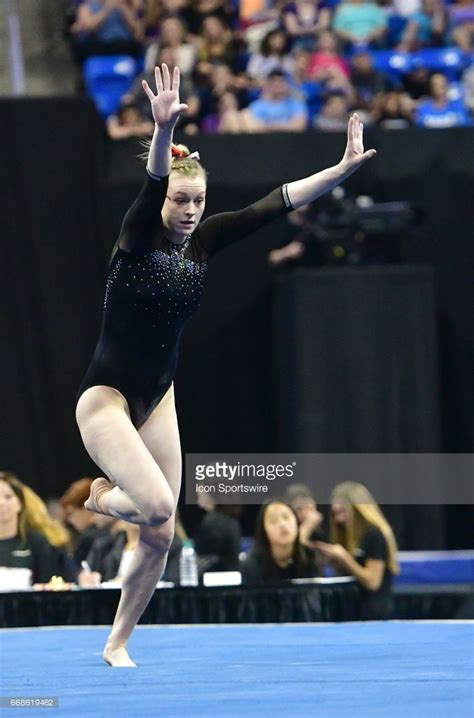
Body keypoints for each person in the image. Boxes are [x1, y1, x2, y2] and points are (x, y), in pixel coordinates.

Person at [75, 62, 376, 666]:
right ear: (163, 199)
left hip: (159, 396)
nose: (190, 210)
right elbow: (153, 178)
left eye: (199, 200)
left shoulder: (206, 241)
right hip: (106, 396)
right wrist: (162, 130)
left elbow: (276, 203)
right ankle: (101, 499)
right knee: (155, 506)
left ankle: (118, 641)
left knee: (161, 529)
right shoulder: (137, 240)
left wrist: (339, 173)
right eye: (181, 200)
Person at [316, 481, 399, 619]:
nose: (339, 519)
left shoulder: (374, 534)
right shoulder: (352, 537)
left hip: (375, 615)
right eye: (335, 513)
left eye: (343, 512)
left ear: (357, 509)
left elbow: (373, 582)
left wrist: (344, 557)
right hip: (354, 612)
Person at [240, 500, 322, 583]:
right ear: (264, 531)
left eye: (286, 517)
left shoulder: (309, 556)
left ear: (296, 522)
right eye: (273, 521)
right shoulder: (252, 565)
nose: (282, 524)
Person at [0, 472, 55, 585]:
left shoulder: (36, 542)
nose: (1, 503)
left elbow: (47, 584)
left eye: (8, 497)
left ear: (20, 503)